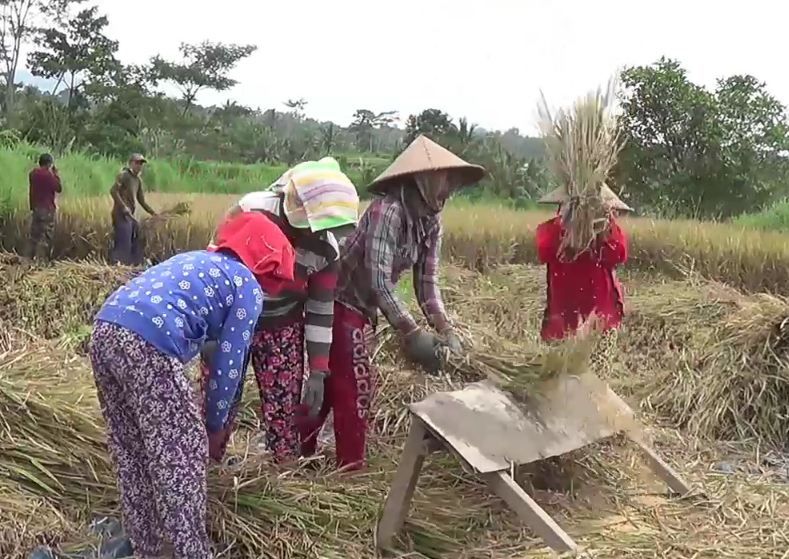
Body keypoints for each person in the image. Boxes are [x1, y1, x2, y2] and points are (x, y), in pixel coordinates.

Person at [89, 211, 295, 559]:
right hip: (148, 341)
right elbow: (230, 367)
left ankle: (148, 549)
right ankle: (192, 552)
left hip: (105, 329)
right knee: (180, 453)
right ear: (266, 263)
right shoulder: (246, 285)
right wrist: (213, 425)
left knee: (132, 450)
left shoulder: (198, 259)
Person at [299, 135, 486, 472]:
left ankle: (300, 453)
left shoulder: (431, 222)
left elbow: (427, 284)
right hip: (339, 302)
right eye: (445, 181)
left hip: (364, 311)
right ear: (422, 179)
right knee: (355, 384)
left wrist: (446, 329)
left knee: (331, 383)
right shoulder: (388, 211)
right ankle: (349, 470)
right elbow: (379, 279)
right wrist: (411, 333)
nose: (449, 191)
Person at [199, 156, 360, 465]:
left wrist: (318, 370)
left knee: (283, 405)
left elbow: (320, 308)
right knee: (217, 399)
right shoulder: (252, 210)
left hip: (282, 326)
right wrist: (210, 334)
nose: (318, 234)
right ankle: (206, 465)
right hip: (232, 322)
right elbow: (213, 268)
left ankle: (282, 469)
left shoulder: (326, 249)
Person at [535, 184, 631, 375]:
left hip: (599, 323)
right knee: (561, 379)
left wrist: (603, 226)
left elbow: (620, 254)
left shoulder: (606, 233)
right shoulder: (553, 230)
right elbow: (544, 251)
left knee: (595, 380)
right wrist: (567, 226)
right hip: (563, 322)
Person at [110, 153, 156, 266]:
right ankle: (118, 264)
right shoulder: (124, 175)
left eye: (141, 164)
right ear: (131, 163)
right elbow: (113, 191)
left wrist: (154, 213)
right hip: (121, 214)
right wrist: (123, 207)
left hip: (130, 215)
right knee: (124, 241)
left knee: (138, 237)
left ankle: (134, 264)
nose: (139, 166)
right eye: (137, 163)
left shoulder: (137, 180)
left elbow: (142, 201)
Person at [26, 153, 62, 260]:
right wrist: (56, 174)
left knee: (34, 236)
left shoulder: (32, 174)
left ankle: (30, 258)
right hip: (47, 209)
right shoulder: (49, 176)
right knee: (47, 235)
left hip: (36, 208)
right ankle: (44, 260)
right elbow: (59, 188)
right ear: (49, 164)